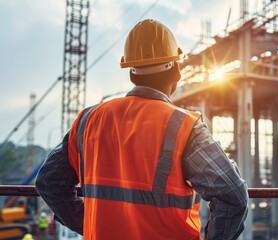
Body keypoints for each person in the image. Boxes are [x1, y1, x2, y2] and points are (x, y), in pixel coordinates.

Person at [35, 19, 248, 240]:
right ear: (177, 72)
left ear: (131, 74)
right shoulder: (184, 127)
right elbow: (232, 195)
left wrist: (88, 223)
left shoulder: (89, 120)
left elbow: (49, 181)